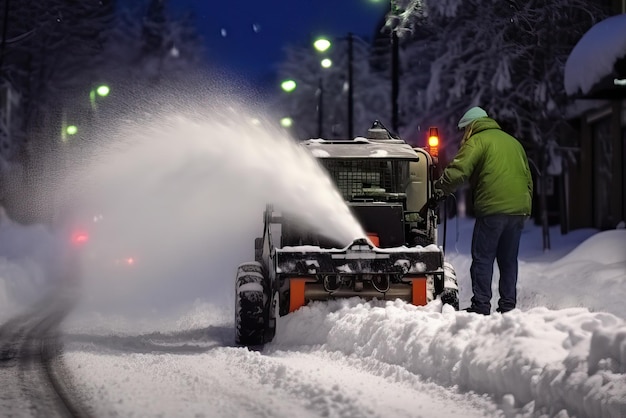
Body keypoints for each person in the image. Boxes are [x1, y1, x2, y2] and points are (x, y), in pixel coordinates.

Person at [434, 106, 533, 315]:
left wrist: (439, 189)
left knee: (483, 257)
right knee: (508, 260)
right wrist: (526, 206)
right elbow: (528, 178)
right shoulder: (513, 142)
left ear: (471, 126)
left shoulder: (478, 140)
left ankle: (481, 305)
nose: (463, 135)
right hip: (518, 209)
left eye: (464, 130)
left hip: (492, 208)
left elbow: (459, 169)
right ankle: (508, 307)